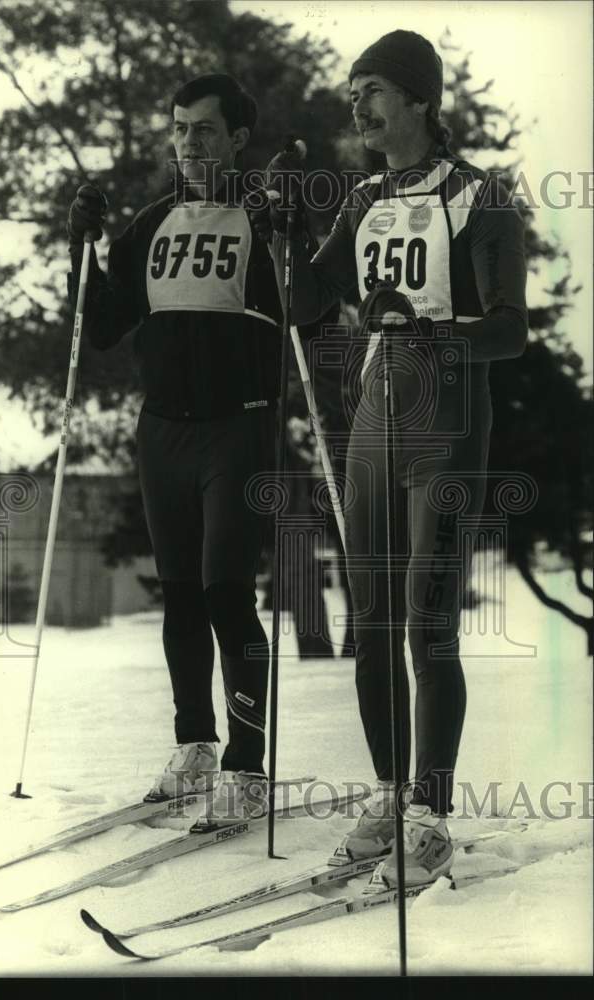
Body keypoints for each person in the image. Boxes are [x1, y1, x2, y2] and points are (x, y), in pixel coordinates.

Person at [261, 30, 528, 885]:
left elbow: (510, 328)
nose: (357, 105)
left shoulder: (478, 197)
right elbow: (305, 299)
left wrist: (427, 330)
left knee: (426, 621)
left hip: (446, 421)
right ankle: (387, 794)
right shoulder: (364, 199)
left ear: (418, 98)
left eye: (372, 88)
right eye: (350, 91)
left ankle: (429, 813)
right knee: (369, 622)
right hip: (374, 424)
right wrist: (284, 229)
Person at [66, 74, 284, 829]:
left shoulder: (261, 215)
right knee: (182, 593)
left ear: (236, 140)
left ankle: (247, 766)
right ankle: (195, 743)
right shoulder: (153, 221)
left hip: (240, 425)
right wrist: (84, 250)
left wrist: (287, 229)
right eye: (179, 127)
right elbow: (98, 328)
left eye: (203, 129)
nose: (187, 142)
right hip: (163, 431)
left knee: (227, 590)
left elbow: (307, 310)